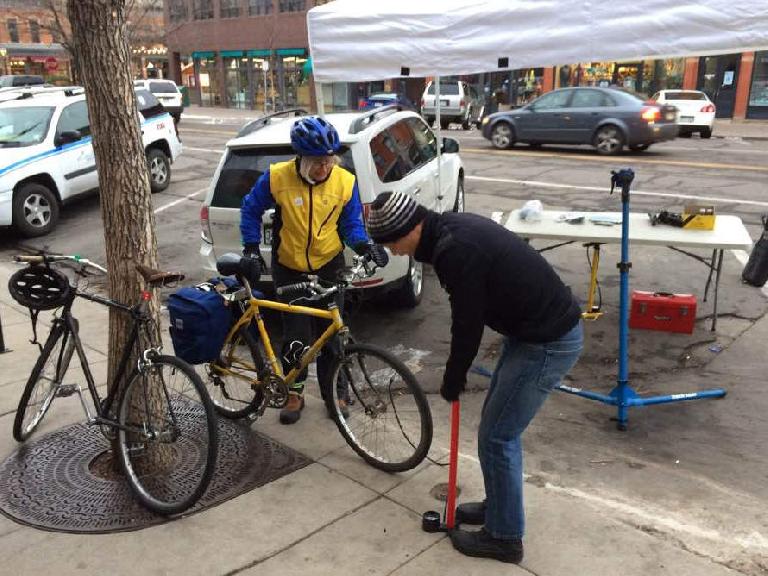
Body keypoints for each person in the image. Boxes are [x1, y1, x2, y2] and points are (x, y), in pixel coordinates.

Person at [366, 191, 583, 564]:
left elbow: (467, 321)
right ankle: (498, 507)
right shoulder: (447, 231)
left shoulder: (454, 250)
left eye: (392, 241)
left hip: (548, 340)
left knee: (499, 436)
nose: (393, 250)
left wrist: (453, 376)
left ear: (411, 227)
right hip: (531, 332)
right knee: (494, 429)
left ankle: (504, 537)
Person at [240, 116, 388, 425]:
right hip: (289, 267)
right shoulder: (277, 178)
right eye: (317, 163)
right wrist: (252, 248)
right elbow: (251, 209)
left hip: (329, 265)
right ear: (301, 159)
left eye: (329, 161)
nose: (324, 169)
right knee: (296, 337)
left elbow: (350, 225)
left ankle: (336, 393)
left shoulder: (344, 181)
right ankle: (294, 393)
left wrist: (364, 246)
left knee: (333, 335)